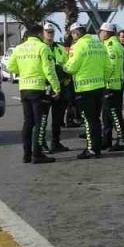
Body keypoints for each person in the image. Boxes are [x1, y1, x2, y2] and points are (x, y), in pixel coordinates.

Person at [8, 27, 58, 165]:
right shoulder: (42, 47)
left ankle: (27, 154)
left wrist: (23, 71)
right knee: (40, 123)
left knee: (28, 122)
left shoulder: (19, 48)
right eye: (43, 33)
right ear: (39, 34)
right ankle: (37, 154)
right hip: (38, 89)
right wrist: (56, 88)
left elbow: (10, 67)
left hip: (24, 88)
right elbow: (49, 70)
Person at [63, 22, 108, 159]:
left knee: (89, 121)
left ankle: (92, 149)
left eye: (72, 34)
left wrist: (63, 68)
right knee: (96, 118)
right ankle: (97, 147)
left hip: (84, 88)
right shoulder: (99, 44)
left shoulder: (78, 46)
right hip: (99, 86)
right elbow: (107, 66)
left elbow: (72, 67)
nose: (72, 37)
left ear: (76, 33)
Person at [41, 23, 72, 154]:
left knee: (58, 118)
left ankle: (56, 142)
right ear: (43, 33)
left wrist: (66, 78)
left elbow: (68, 64)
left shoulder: (59, 48)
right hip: (45, 88)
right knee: (42, 119)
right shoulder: (40, 48)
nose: (50, 34)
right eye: (47, 32)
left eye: (52, 32)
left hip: (60, 88)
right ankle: (41, 143)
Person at [99, 23, 124, 151]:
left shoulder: (110, 46)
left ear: (106, 33)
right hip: (115, 84)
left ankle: (122, 140)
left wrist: (104, 80)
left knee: (114, 114)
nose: (99, 34)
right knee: (106, 115)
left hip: (110, 85)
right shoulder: (114, 44)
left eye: (101, 31)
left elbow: (110, 66)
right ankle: (106, 140)